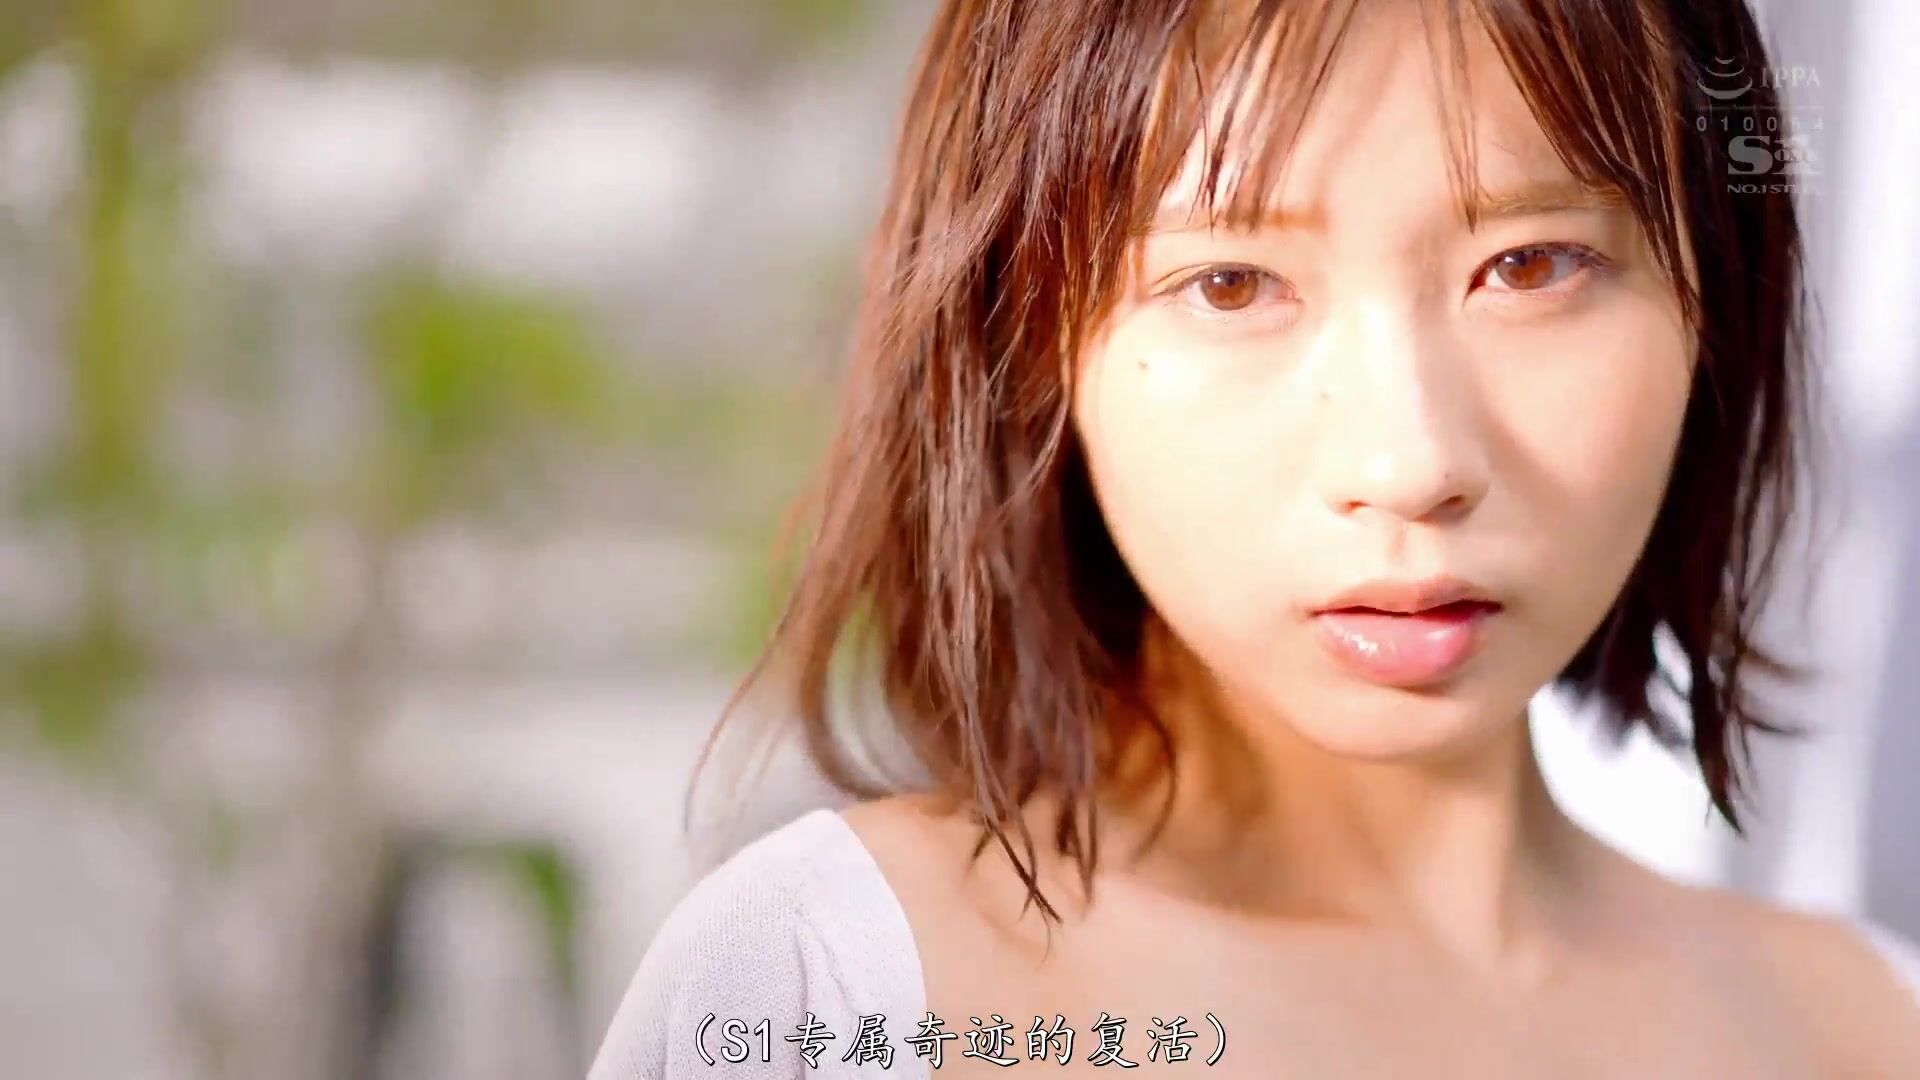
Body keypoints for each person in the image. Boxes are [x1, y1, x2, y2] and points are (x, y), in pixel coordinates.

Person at [592, 0, 1920, 1075]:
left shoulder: (1867, 1026)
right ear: (1032, 347)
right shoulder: (839, 988)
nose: (1409, 463)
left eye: (1531, 265)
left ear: (1713, 305)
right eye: (1230, 284)